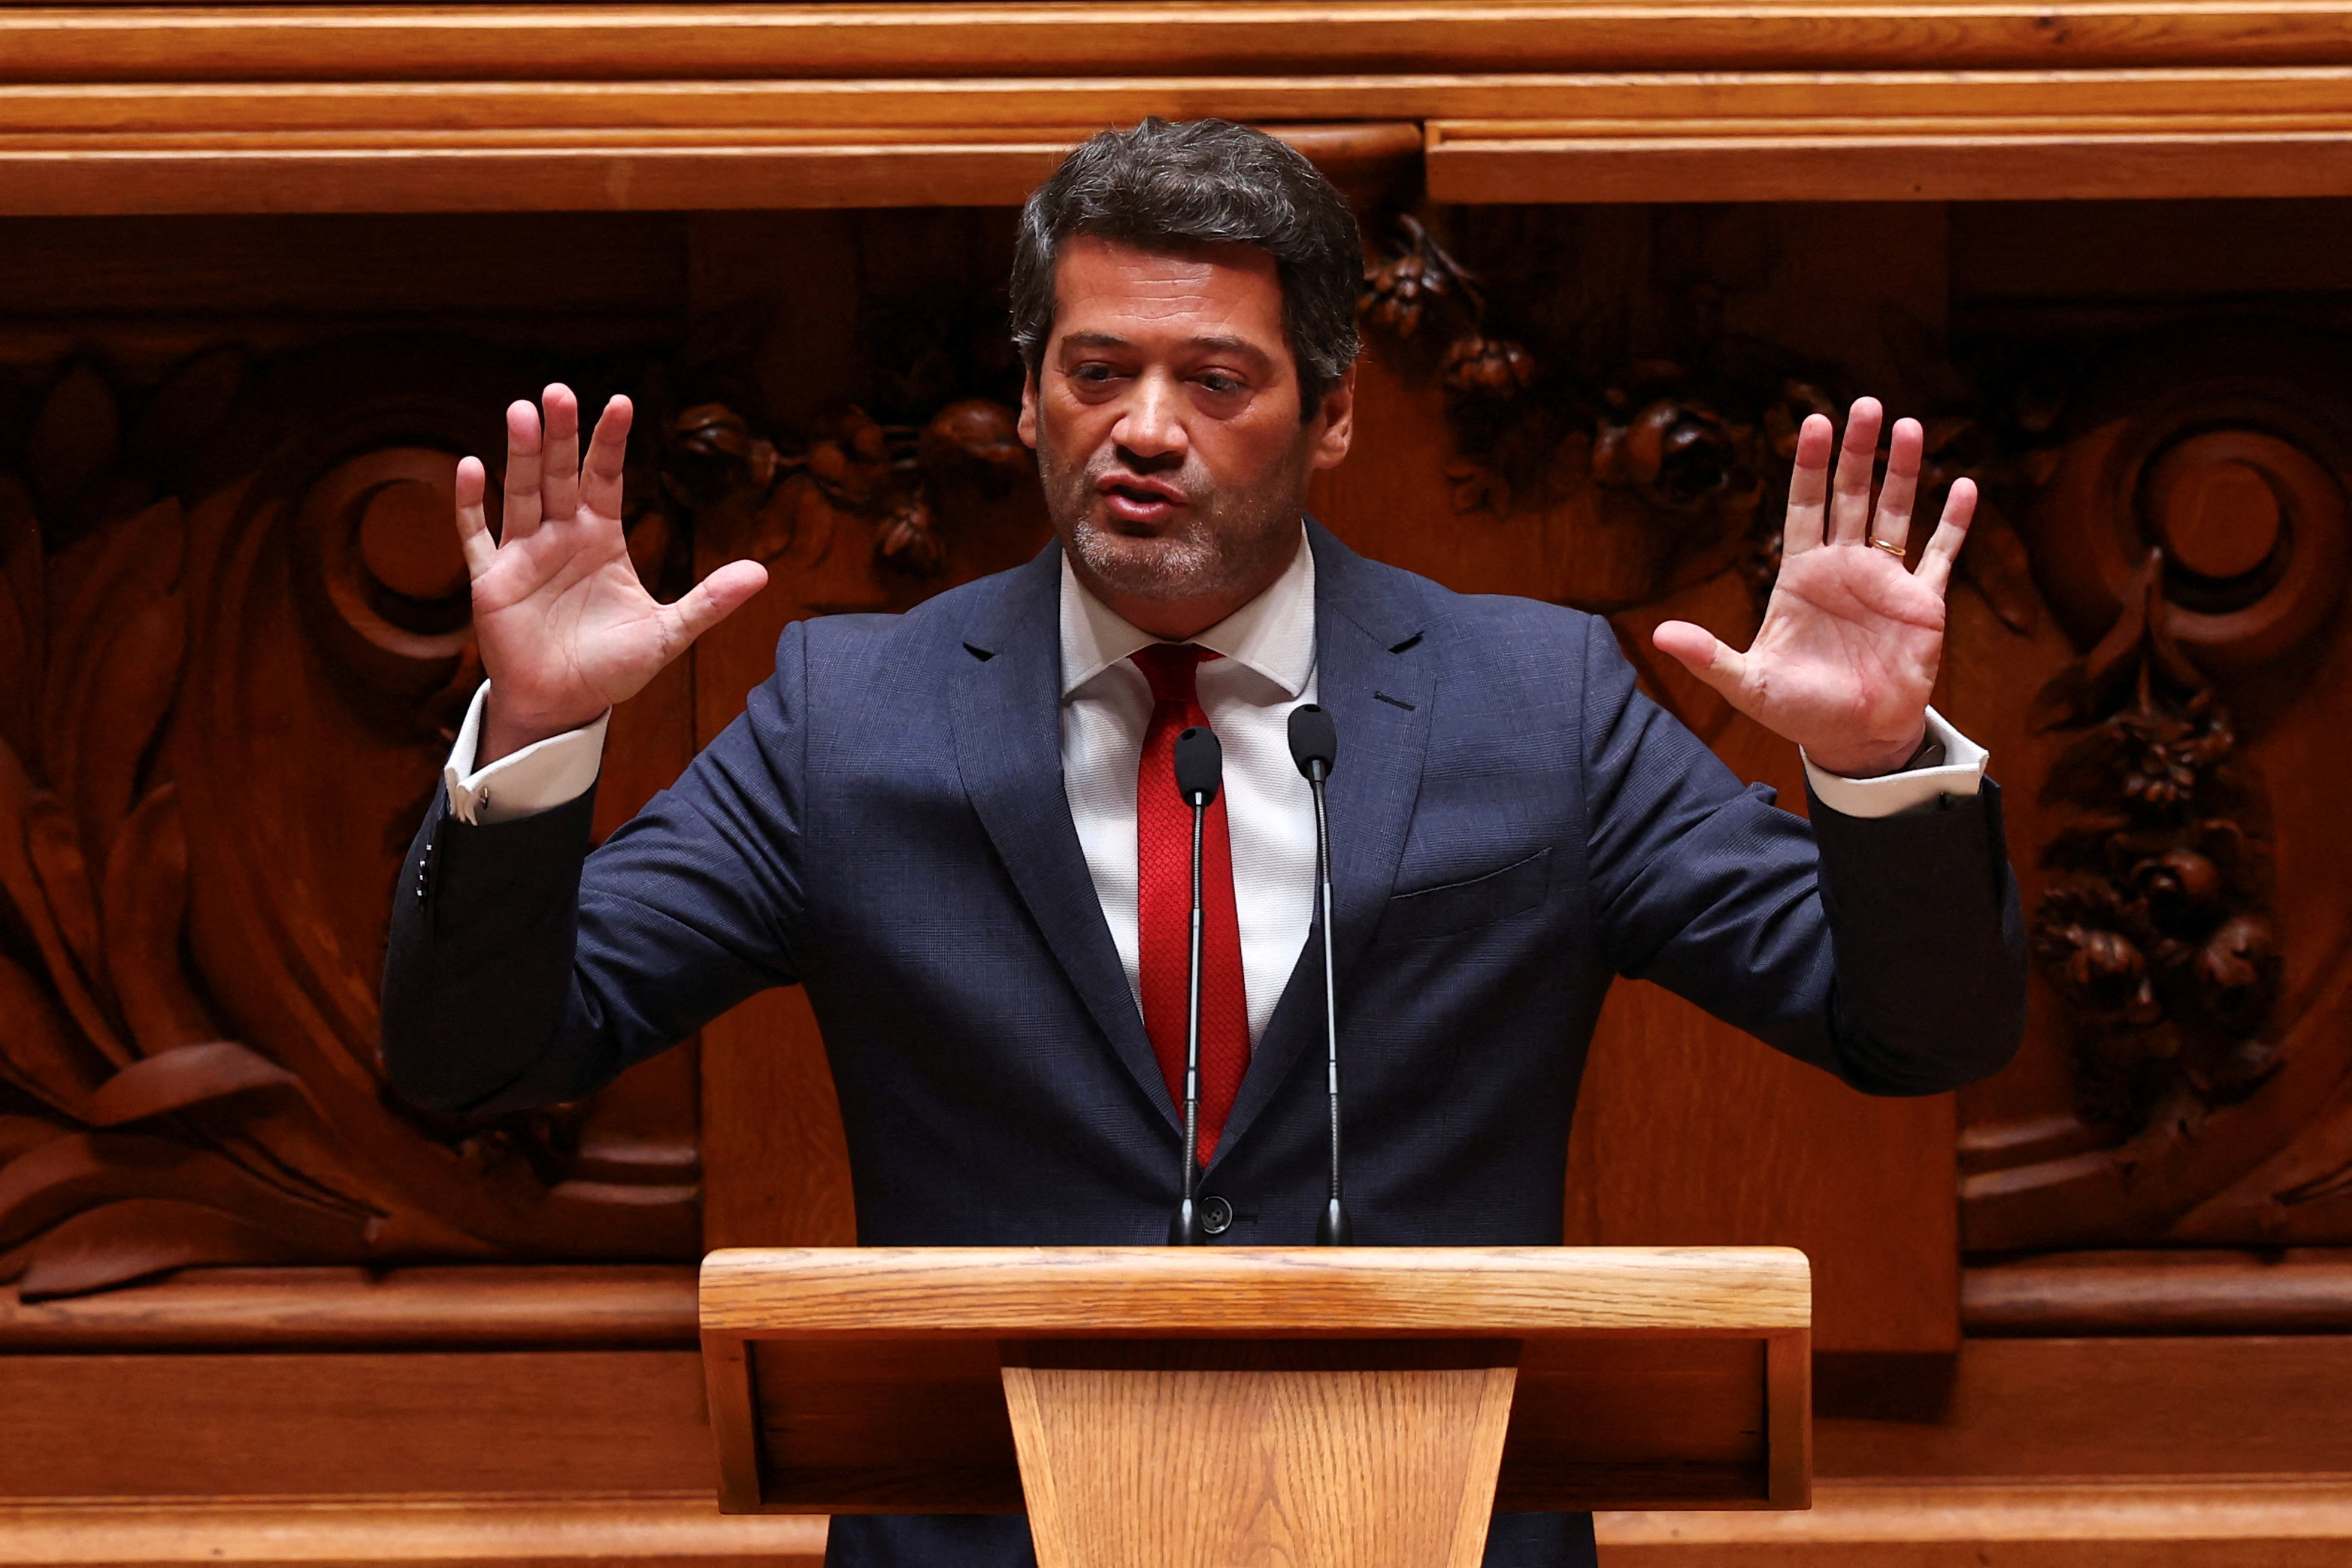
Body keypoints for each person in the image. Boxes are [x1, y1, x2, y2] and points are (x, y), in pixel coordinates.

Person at [382, 118, 2026, 1568]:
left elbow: (1911, 1027)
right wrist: (533, 739)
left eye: (1212, 378)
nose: (1143, 428)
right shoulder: (849, 715)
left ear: (1325, 418)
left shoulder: (1535, 704)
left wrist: (1876, 762)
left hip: (1430, 1532)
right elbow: (480, 1055)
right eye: (1095, 372)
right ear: (1028, 401)